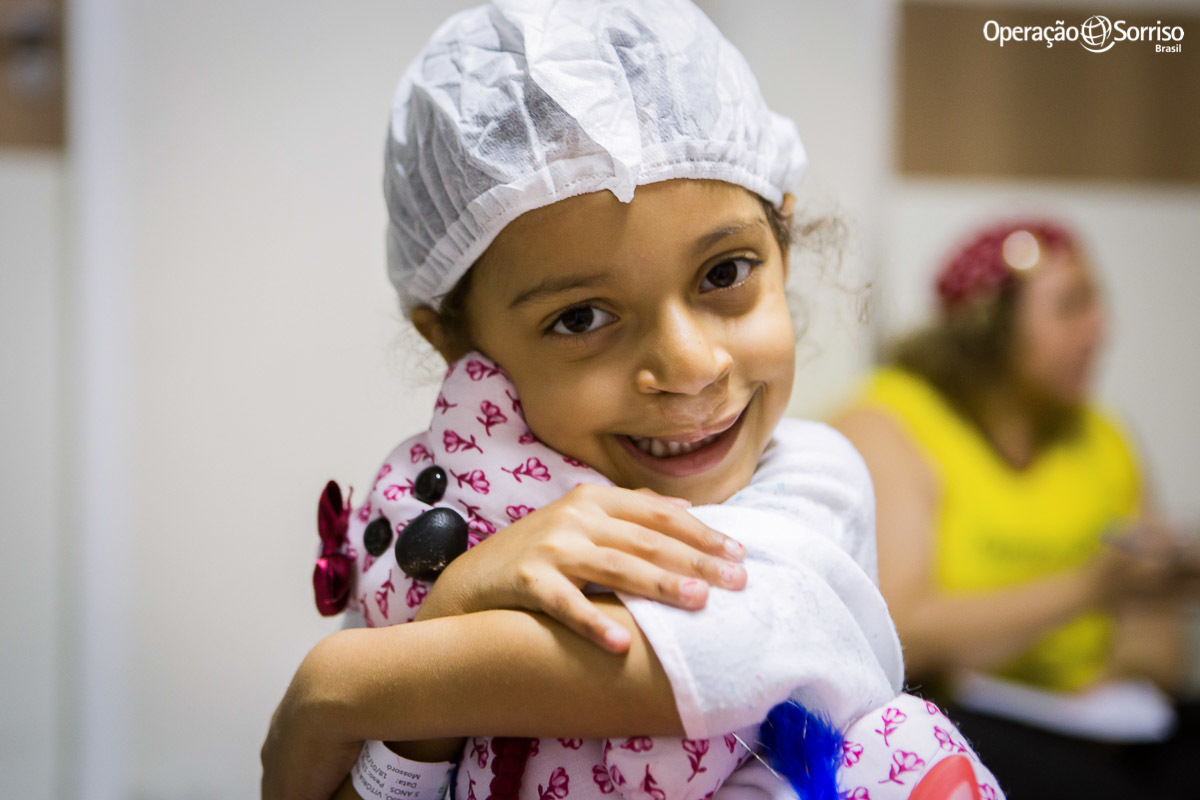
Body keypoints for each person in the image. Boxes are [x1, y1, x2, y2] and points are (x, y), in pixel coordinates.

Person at [261, 3, 1001, 799]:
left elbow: (703, 662)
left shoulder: (810, 484)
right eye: (581, 317)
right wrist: (451, 611)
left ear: (782, 242)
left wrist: (338, 682)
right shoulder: (459, 526)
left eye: (724, 273)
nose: (689, 367)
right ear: (453, 342)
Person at [834, 219, 1200, 798]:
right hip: (961, 711)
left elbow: (1155, 636)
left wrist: (1127, 676)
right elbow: (903, 631)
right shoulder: (893, 423)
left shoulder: (1106, 438)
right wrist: (1092, 586)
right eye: (1071, 306)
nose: (1101, 328)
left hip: (1097, 718)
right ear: (990, 328)